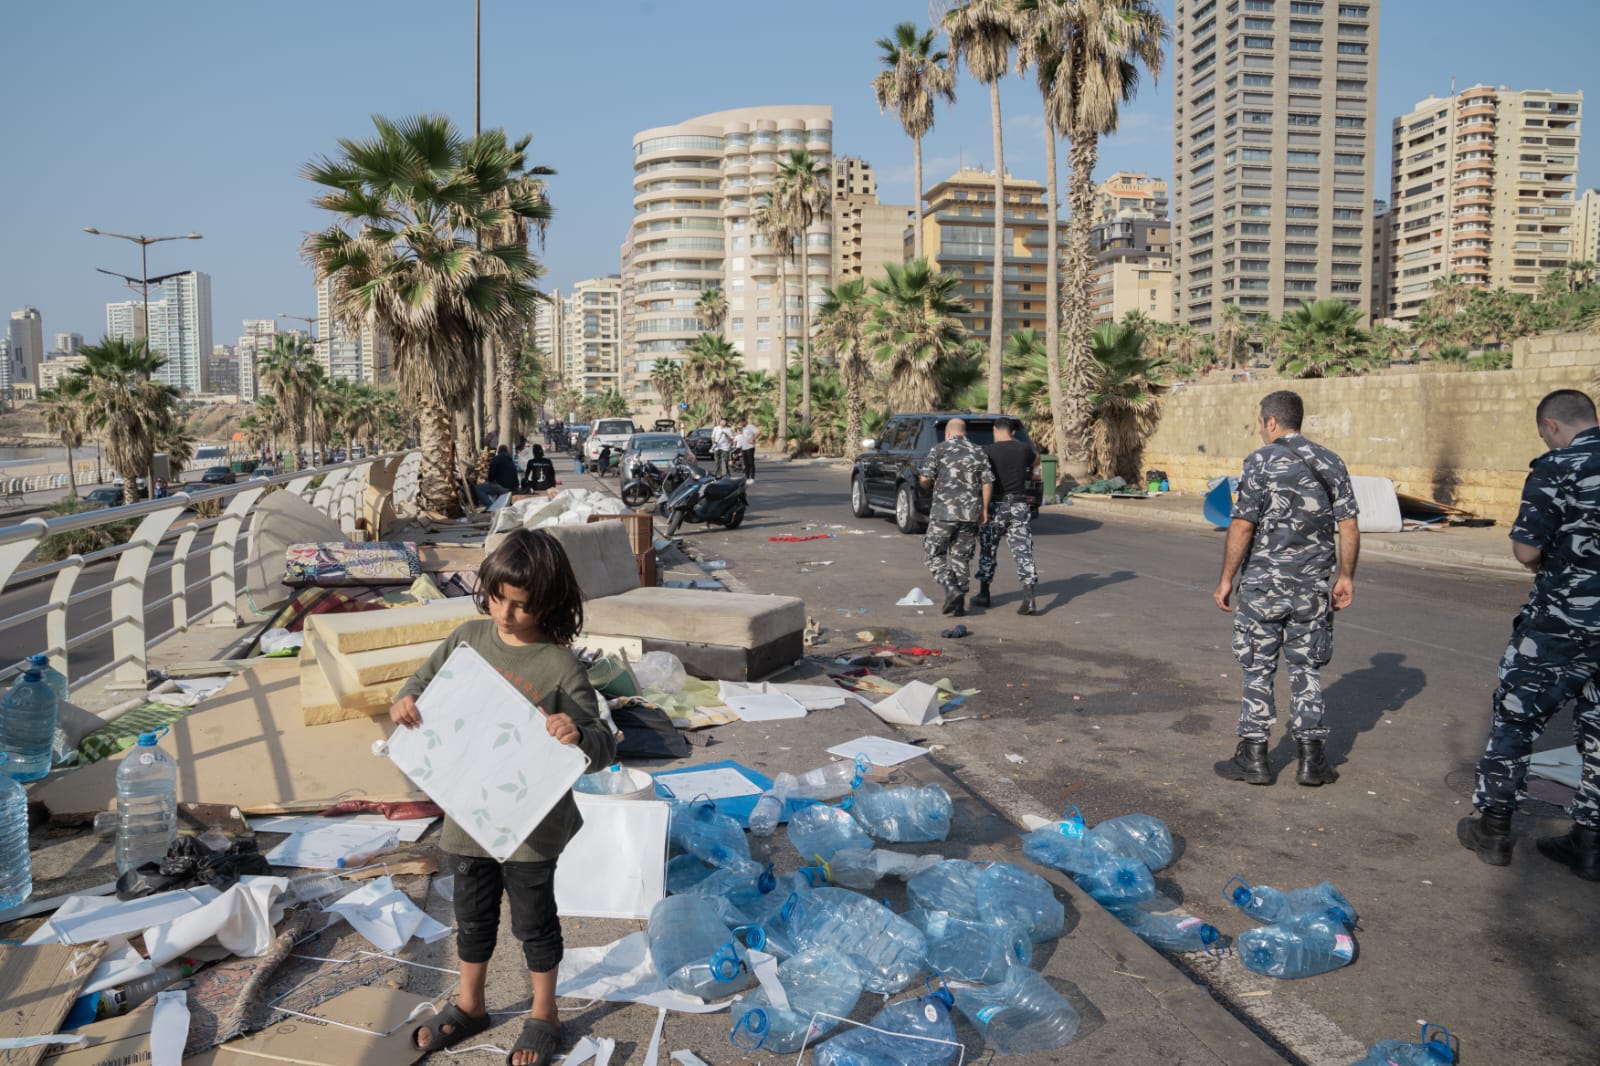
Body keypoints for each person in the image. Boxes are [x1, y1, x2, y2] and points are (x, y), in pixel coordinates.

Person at [389, 529, 617, 1063]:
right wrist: (405, 702)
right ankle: (470, 1004)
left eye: (521, 605)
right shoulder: (467, 639)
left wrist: (577, 734)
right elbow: (419, 685)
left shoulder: (560, 666)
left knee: (534, 922)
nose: (506, 614)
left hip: (532, 825)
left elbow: (604, 745)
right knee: (472, 917)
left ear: (549, 604)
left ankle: (544, 1013)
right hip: (468, 816)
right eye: (497, 598)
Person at [1459, 389, 1600, 878]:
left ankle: (1495, 829)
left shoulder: (1558, 467)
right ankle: (1591, 843)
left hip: (1561, 624)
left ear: (1552, 425)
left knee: (1516, 719)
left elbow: (1526, 551)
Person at [1213, 390, 1359, 788]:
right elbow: (1348, 525)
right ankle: (1312, 760)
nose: (1261, 429)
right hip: (1312, 588)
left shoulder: (1260, 461)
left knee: (1257, 668)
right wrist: (1345, 576)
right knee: (1306, 668)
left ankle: (1254, 756)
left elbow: (1242, 524)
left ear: (1271, 422)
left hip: (1263, 588)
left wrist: (1226, 578)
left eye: (1261, 423)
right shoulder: (1331, 461)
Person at [918, 417, 994, 617]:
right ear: (965, 432)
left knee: (933, 553)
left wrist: (926, 484)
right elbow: (987, 482)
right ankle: (959, 605)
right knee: (961, 557)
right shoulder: (978, 451)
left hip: (944, 513)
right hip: (970, 514)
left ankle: (950, 587)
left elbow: (925, 479)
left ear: (948, 433)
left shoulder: (939, 449)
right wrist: (984, 509)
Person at [974, 418, 1040, 615]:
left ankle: (984, 594)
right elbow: (1037, 460)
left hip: (996, 504)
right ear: (1013, 432)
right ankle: (1029, 599)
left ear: (995, 430)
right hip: (1019, 504)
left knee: (988, 549)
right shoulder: (1023, 449)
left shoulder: (987, 451)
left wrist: (983, 508)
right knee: (1023, 551)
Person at [737, 417, 759, 482]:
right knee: (746, 464)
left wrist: (753, 439)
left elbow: (758, 432)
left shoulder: (750, 426)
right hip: (744, 448)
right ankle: (747, 477)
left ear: (745, 422)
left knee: (751, 463)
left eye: (742, 422)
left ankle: (752, 478)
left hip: (750, 447)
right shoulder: (743, 428)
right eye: (740, 423)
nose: (741, 424)